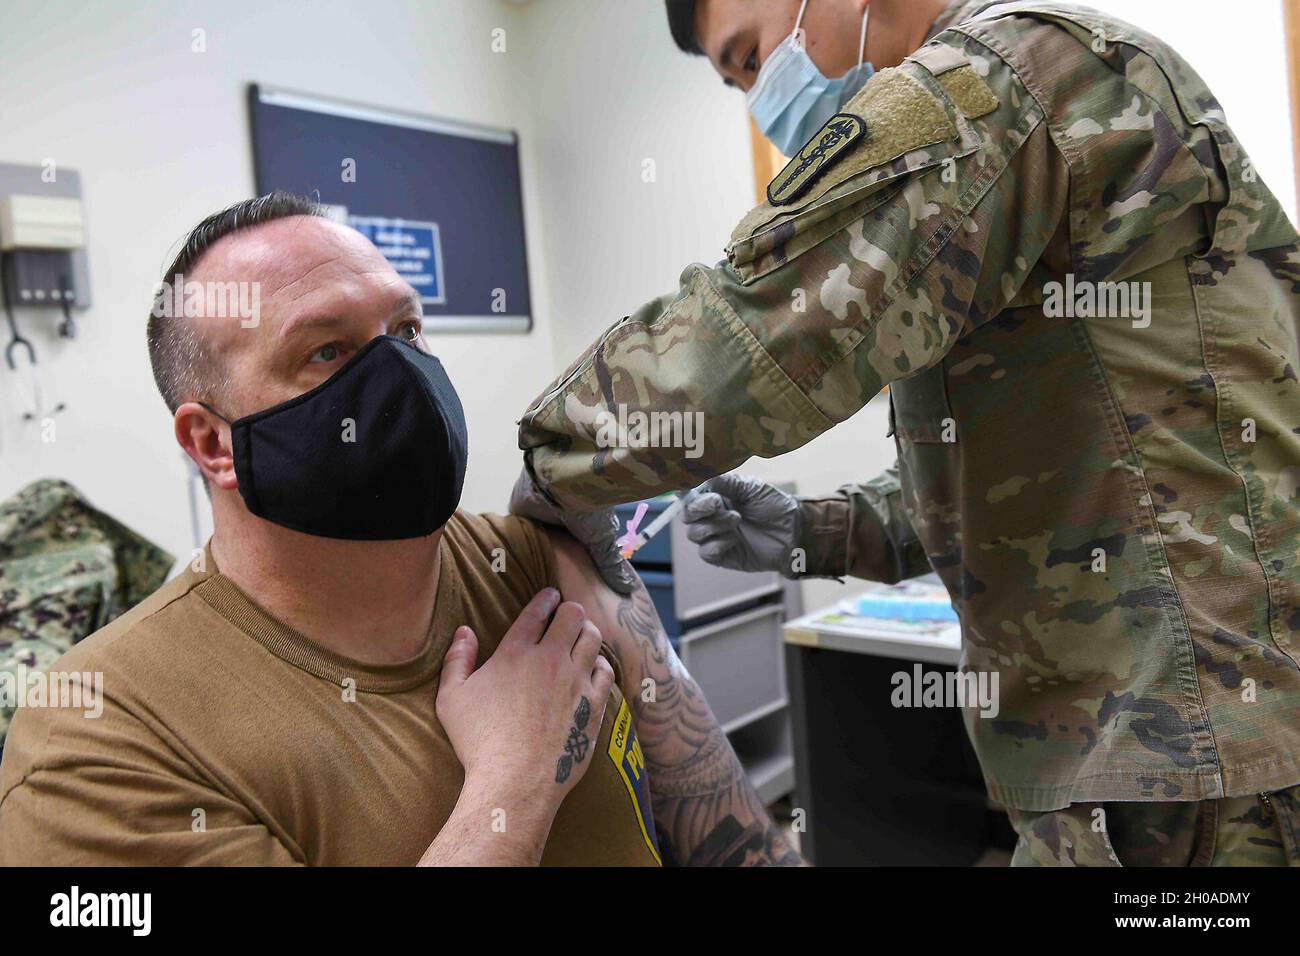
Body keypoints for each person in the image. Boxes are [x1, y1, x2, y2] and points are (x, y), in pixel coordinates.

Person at [512, 0, 1300, 864]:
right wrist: (817, 530)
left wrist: (557, 460)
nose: (758, 97)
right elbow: (1035, 465)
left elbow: (765, 333)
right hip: (1157, 745)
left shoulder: (1002, 75)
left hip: (1191, 754)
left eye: (749, 58)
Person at [0, 193, 799, 867]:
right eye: (326, 350)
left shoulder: (532, 556)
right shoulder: (98, 741)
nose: (401, 378)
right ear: (213, 444)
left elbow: (721, 821)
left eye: (407, 331)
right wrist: (509, 788)